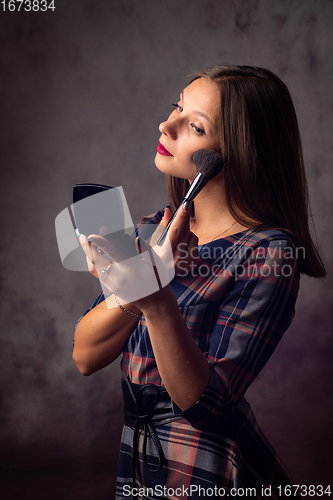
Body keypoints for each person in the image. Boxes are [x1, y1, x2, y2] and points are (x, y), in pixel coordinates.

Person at [72, 65, 326, 499]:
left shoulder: (268, 253)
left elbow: (206, 407)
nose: (165, 125)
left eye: (193, 125)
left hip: (208, 466)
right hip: (140, 455)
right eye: (177, 107)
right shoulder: (156, 229)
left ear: (239, 151)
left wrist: (155, 295)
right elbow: (85, 356)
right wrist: (135, 285)